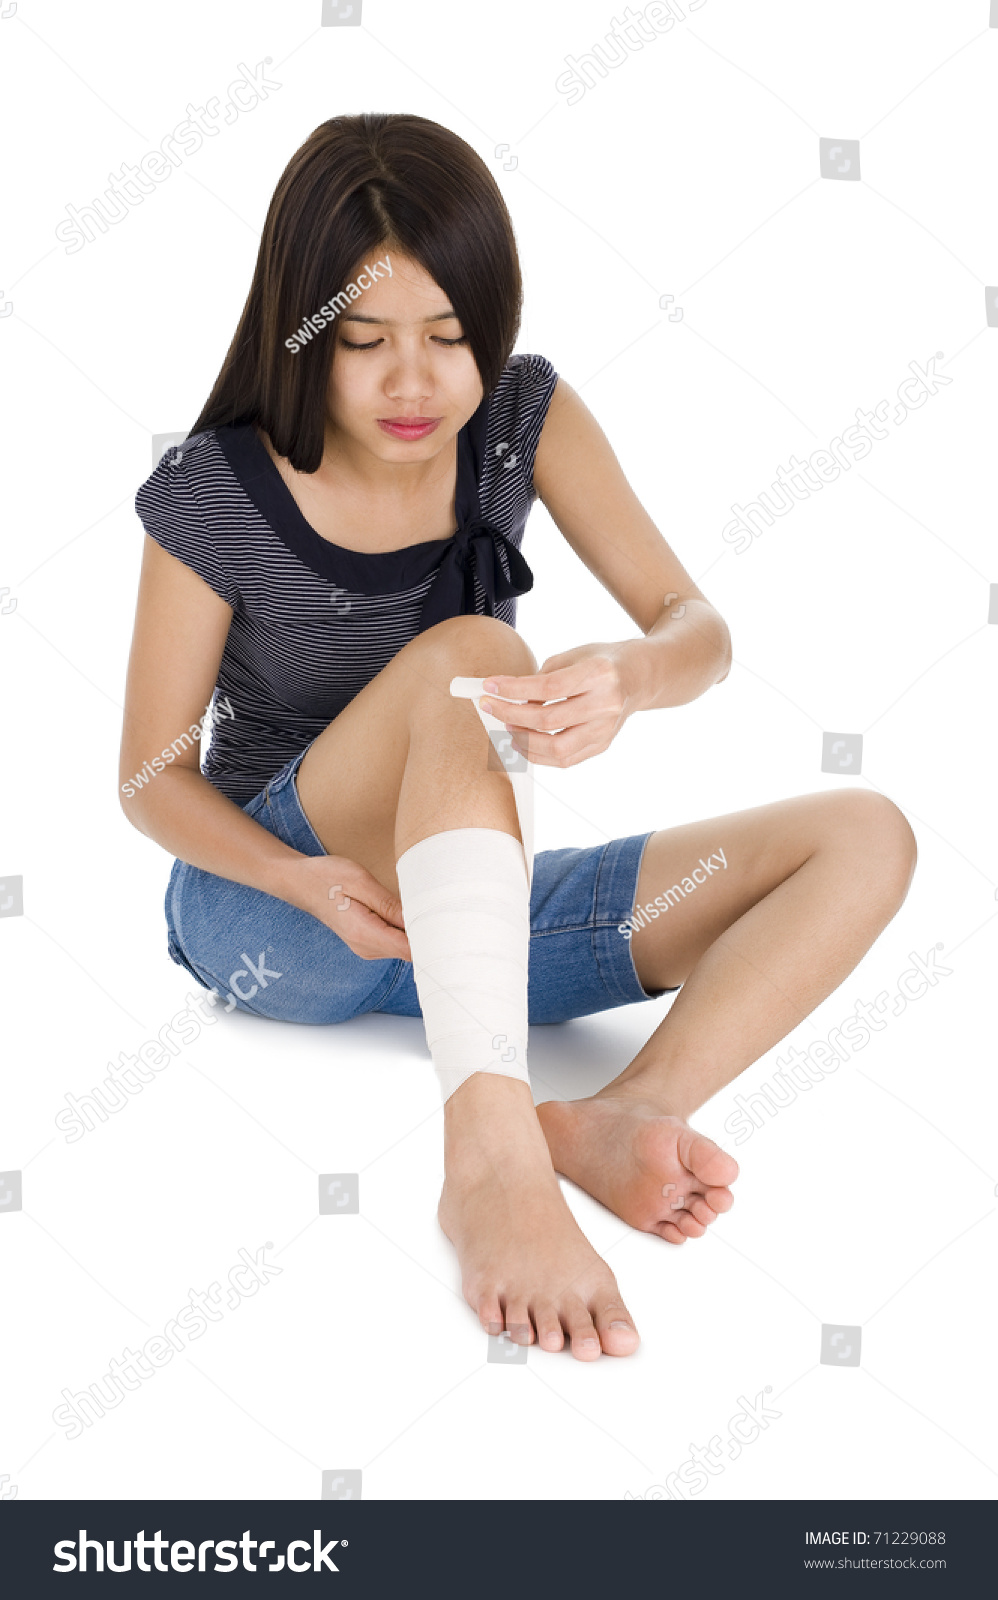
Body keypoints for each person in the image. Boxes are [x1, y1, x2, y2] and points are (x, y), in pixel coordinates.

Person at [121, 112, 917, 1362]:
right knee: (479, 655)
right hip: (274, 914)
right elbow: (148, 779)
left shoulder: (520, 418)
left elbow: (692, 624)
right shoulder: (216, 491)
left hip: (465, 929)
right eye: (366, 341)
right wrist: (295, 876)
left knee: (862, 834)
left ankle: (616, 1112)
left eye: (449, 337)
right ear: (301, 332)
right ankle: (488, 1158)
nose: (413, 383)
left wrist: (633, 671)